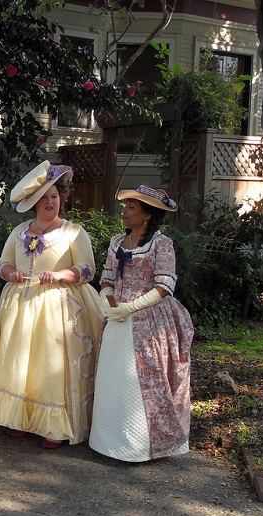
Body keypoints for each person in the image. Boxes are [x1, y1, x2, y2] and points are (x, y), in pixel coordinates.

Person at [0, 161, 103, 449]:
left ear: (62, 199)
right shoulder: (20, 231)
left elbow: (87, 269)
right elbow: (3, 264)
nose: (50, 202)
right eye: (44, 198)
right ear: (34, 203)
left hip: (57, 305)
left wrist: (60, 274)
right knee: (22, 363)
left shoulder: (73, 232)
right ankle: (22, 418)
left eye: (54, 197)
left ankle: (53, 426)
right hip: (21, 306)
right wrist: (11, 273)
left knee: (50, 365)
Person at [89, 185, 194, 462]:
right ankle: (109, 441)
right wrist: (108, 300)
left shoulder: (161, 244)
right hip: (117, 318)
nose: (124, 211)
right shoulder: (116, 242)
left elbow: (165, 284)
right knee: (113, 377)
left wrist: (131, 307)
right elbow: (108, 278)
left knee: (139, 380)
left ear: (147, 215)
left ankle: (138, 447)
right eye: (126, 206)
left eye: (131, 207)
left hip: (148, 319)